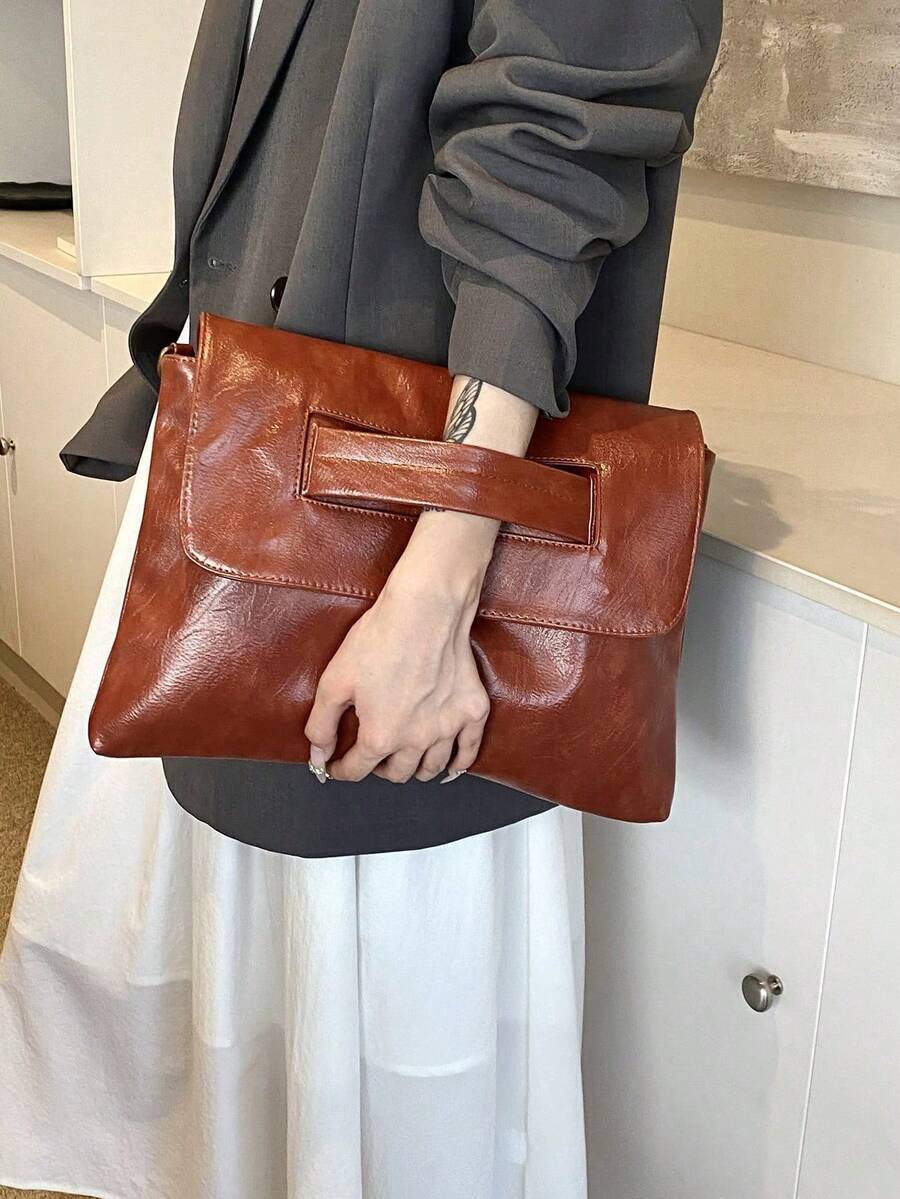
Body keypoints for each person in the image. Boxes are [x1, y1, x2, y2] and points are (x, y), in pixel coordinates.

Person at [0, 1, 722, 1196]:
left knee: (375, 1040)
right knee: (267, 1023)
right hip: (258, 502)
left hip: (392, 558)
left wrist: (436, 598)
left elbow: (547, 162)